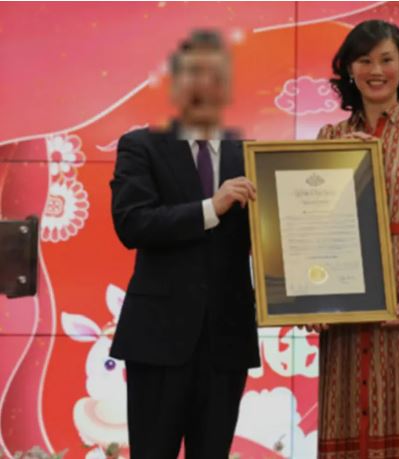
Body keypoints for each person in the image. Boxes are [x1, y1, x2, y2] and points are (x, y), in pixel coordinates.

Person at [109, 29, 259, 458]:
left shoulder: (251, 155)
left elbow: (282, 229)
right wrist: (212, 207)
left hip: (226, 342)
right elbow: (132, 223)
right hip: (158, 340)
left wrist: (341, 160)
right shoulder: (140, 146)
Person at [314, 19, 399, 459]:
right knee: (347, 407)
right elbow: (316, 225)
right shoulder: (331, 137)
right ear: (349, 70)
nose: (376, 70)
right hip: (345, 295)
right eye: (364, 60)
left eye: (386, 60)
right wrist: (310, 298)